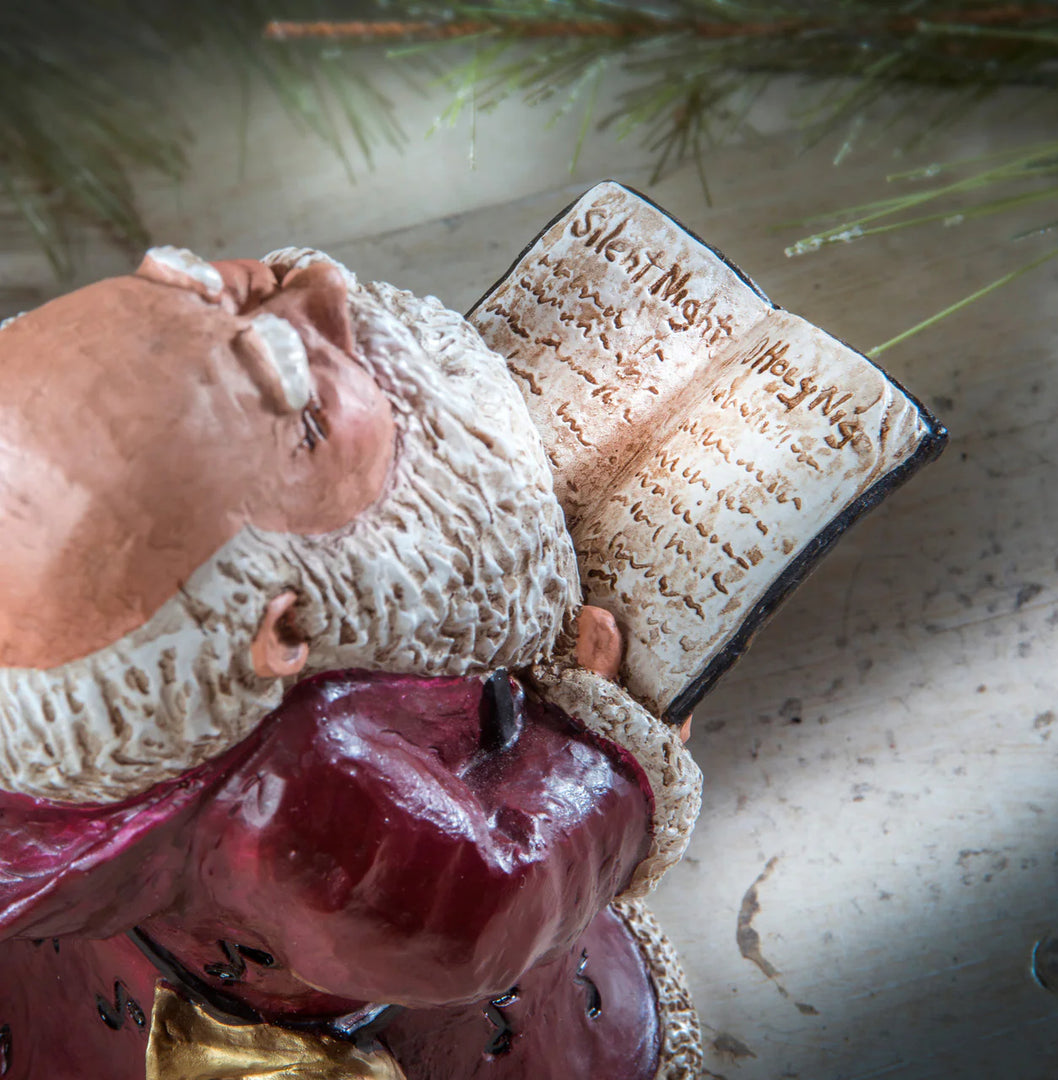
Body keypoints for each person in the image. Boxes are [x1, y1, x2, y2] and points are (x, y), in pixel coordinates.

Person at [0, 246, 702, 1078]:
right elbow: (477, 912)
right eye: (308, 412)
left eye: (222, 283)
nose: (329, 282)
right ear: (285, 626)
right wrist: (600, 744)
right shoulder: (318, 795)